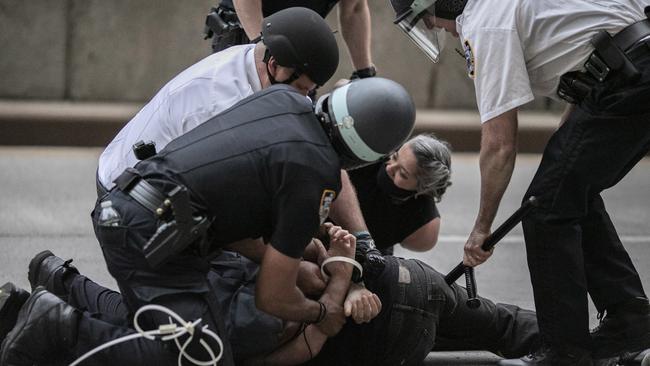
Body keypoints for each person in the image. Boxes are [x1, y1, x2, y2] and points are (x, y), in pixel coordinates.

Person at [0, 77, 416, 365]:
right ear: (365, 155)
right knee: (201, 354)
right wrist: (321, 310)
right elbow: (273, 297)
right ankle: (58, 328)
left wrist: (307, 253)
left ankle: (39, 299)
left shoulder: (285, 100)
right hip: (152, 229)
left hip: (133, 205)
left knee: (162, 320)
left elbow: (246, 203)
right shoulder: (313, 176)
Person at [389, 0, 650, 364]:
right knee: (569, 193)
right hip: (632, 65)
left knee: (545, 210)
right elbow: (592, 56)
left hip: (632, 74)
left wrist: (481, 229)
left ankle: (563, 351)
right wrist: (566, 147)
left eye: (429, 19)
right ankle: (630, 323)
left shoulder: (484, 22)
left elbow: (498, 143)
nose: (441, 29)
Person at [204, 0, 376, 80]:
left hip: (297, 52)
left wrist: (364, 73)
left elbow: (354, 8)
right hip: (248, 39)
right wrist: (263, 48)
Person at [345, 133, 452, 254]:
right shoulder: (369, 151)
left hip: (365, 256)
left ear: (423, 189)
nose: (389, 168)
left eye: (402, 173)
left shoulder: (424, 227)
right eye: (395, 157)